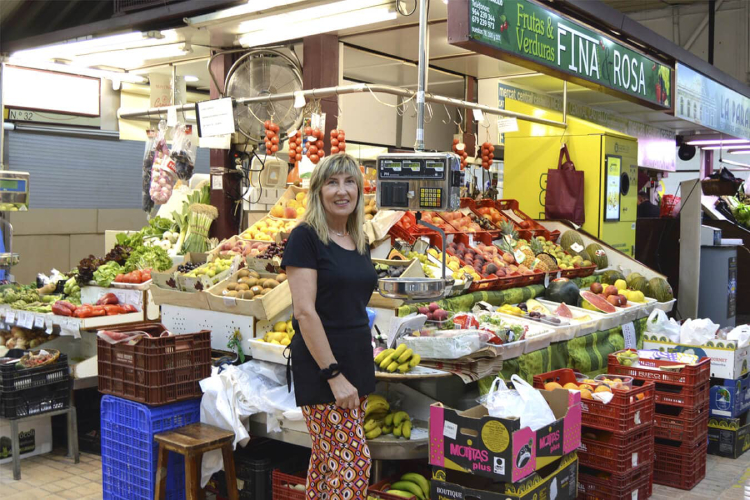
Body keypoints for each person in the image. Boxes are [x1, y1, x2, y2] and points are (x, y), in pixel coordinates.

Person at [281, 153, 378, 498]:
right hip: (326, 371)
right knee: (353, 465)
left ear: (359, 190)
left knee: (328, 463)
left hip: (356, 364)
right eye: (332, 183)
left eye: (349, 182)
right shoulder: (305, 238)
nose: (342, 191)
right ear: (318, 191)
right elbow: (304, 312)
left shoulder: (359, 239)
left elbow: (353, 303)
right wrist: (334, 375)